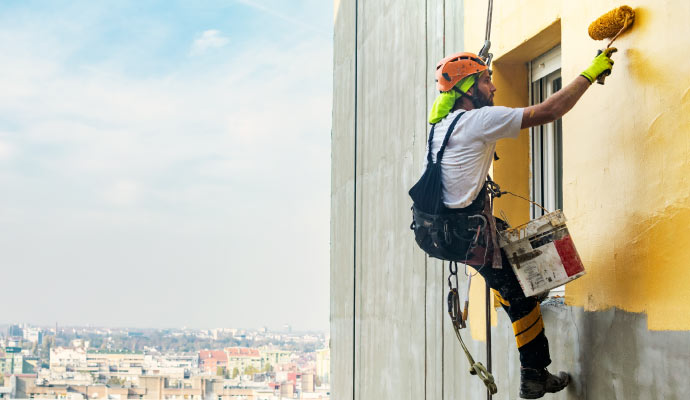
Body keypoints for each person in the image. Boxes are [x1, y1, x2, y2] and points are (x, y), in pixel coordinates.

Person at [425, 50, 615, 399]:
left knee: (512, 278)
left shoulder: (440, 127)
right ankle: (534, 377)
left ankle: (528, 347)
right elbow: (550, 111)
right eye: (485, 80)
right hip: (468, 234)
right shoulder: (477, 122)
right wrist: (589, 73)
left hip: (447, 232)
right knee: (521, 296)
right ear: (467, 90)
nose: (494, 87)